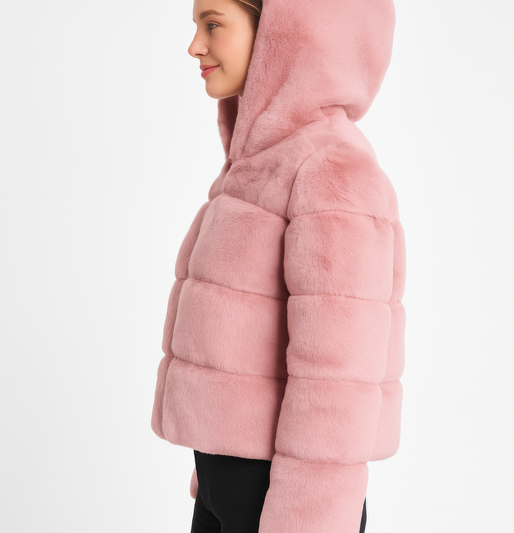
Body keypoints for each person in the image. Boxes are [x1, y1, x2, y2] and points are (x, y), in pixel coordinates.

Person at [151, 0, 406, 531]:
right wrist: (214, 469)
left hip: (286, 508)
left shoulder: (330, 168)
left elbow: (338, 382)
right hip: (229, 488)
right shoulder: (258, 166)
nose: (195, 46)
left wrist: (302, 519)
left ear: (283, 34)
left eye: (213, 24)